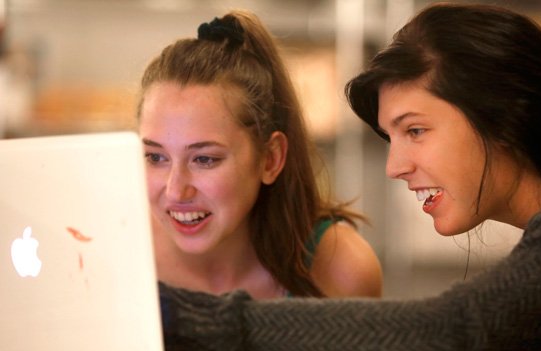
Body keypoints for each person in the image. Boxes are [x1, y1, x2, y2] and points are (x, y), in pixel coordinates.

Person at [157, 3, 541, 351]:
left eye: (416, 130)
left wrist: (186, 319)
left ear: (503, 113)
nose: (395, 166)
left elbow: (450, 332)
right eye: (393, 138)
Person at [137, 10, 382, 300]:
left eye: (204, 159)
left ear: (270, 159)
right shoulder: (109, 255)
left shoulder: (341, 269)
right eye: (156, 157)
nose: (175, 190)